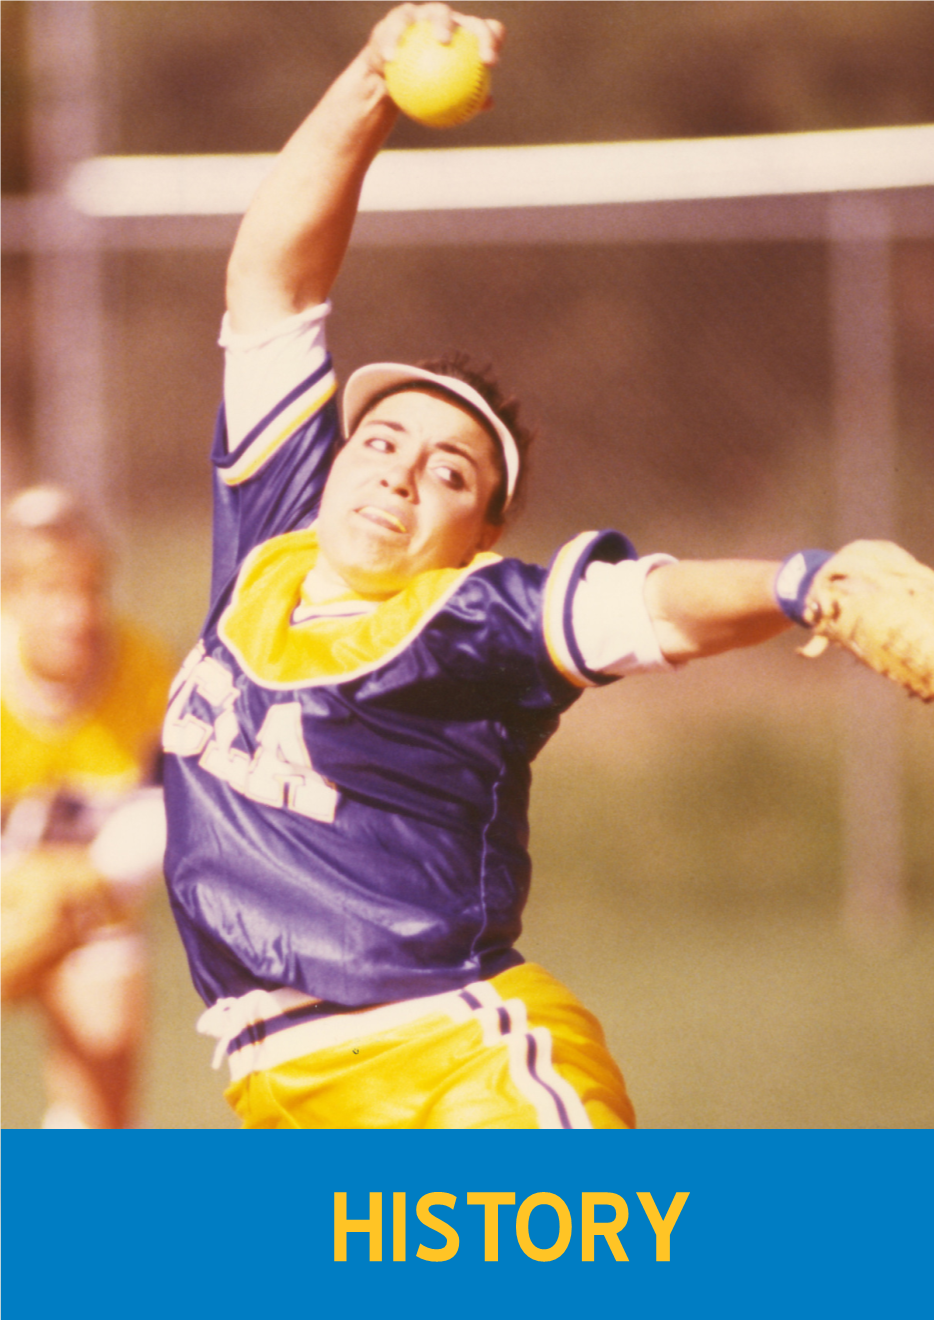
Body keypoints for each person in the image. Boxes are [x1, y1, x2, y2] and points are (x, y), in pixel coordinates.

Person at [162, 2, 825, 1129]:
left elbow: (645, 605)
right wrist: (373, 74)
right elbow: (271, 287)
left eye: (451, 474)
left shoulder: (469, 620)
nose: (399, 474)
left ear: (482, 534)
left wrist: (808, 584)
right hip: (286, 1095)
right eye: (379, 442)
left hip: (460, 1072)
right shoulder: (271, 534)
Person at [1, 486, 172, 1128]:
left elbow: (168, 816)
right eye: (49, 592)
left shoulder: (143, 670)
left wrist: (73, 888)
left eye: (89, 589)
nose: (76, 614)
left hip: (90, 904)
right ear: (12, 598)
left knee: (102, 1115)